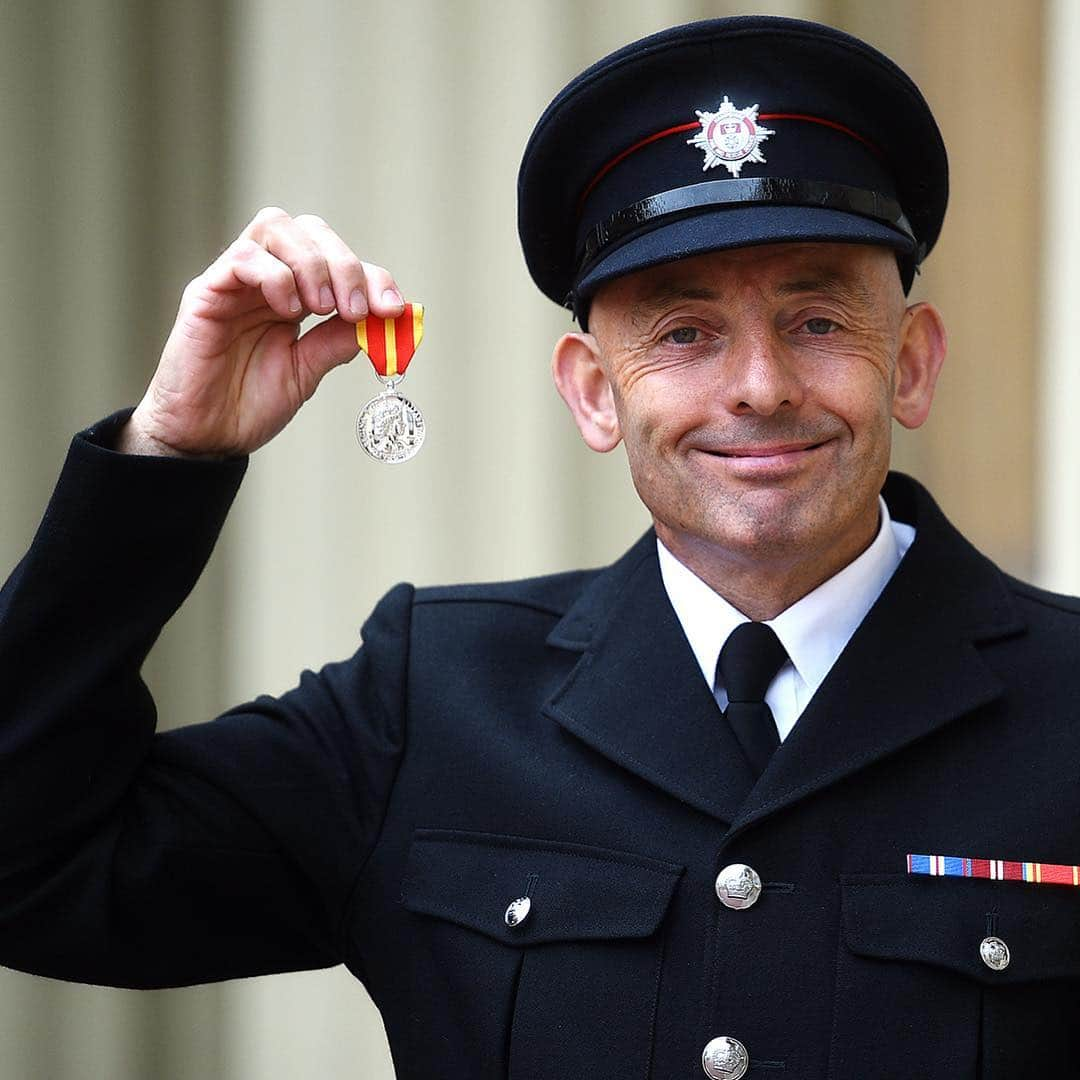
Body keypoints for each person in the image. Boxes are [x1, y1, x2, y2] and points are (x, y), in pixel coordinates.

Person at [1, 14, 1078, 1080]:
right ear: (593, 393)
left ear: (914, 365)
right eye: (685, 332)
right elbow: (30, 868)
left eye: (817, 320)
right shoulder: (430, 697)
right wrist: (167, 452)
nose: (760, 385)